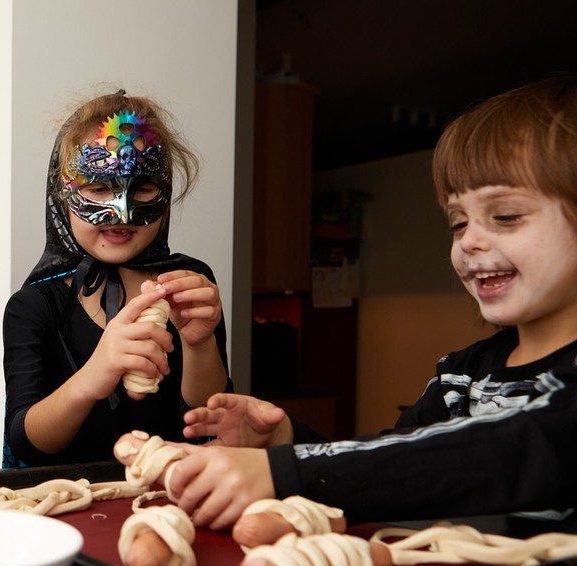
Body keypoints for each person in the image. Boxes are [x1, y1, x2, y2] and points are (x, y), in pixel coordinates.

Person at [116, 75, 577, 529]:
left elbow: (503, 451)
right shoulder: (461, 376)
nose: (470, 241)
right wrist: (284, 440)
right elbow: (392, 464)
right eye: (458, 223)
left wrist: (282, 472)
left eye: (506, 216)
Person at [3, 90, 230, 467]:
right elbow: (28, 442)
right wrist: (96, 372)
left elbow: (208, 420)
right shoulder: (33, 306)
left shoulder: (188, 284)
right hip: (71, 503)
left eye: (142, 188)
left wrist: (200, 344)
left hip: (170, 493)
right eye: (97, 188)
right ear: (63, 193)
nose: (122, 212)